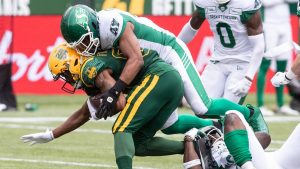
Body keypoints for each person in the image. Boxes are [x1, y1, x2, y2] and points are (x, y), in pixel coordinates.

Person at [59, 4, 268, 134]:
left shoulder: (111, 24)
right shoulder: (96, 36)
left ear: (94, 26)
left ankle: (250, 113)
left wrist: (114, 92)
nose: (84, 48)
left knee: (202, 106)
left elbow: (136, 60)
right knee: (170, 126)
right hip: (155, 65)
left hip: (169, 52)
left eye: (85, 40)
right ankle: (217, 127)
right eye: (78, 45)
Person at [21, 43, 227, 169]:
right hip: (164, 82)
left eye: (65, 73)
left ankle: (224, 122)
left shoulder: (90, 69)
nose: (66, 79)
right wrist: (51, 135)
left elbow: (119, 101)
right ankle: (199, 146)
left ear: (74, 62)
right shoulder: (89, 74)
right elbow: (83, 114)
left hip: (159, 78)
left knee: (121, 128)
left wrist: (106, 105)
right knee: (138, 144)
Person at [178, 0, 264, 105]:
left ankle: (251, 117)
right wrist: (173, 47)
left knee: (228, 112)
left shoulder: (245, 4)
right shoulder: (205, 2)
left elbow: (259, 46)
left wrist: (248, 78)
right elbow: (191, 27)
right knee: (201, 106)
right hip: (218, 61)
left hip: (242, 62)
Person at [256, 0, 299, 116]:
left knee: (283, 63)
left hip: (285, 23)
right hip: (270, 25)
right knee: (265, 63)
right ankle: (260, 104)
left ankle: (280, 104)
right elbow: (265, 2)